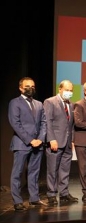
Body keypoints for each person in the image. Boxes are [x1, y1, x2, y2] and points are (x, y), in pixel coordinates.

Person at [8, 77, 47, 210]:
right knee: (17, 173)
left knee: (34, 172)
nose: (31, 88)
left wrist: (40, 139)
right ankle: (17, 201)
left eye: (32, 86)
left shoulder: (39, 104)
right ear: (21, 88)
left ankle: (34, 198)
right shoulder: (15, 103)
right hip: (22, 143)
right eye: (27, 86)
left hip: (38, 144)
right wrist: (30, 140)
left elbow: (43, 123)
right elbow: (15, 124)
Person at [43, 80, 78, 205]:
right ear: (60, 89)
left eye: (71, 90)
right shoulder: (50, 102)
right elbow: (47, 122)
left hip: (67, 142)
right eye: (67, 90)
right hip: (55, 141)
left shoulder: (71, 105)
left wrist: (72, 140)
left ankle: (64, 193)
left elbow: (71, 125)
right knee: (52, 169)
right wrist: (51, 139)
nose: (69, 92)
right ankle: (51, 194)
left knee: (65, 169)